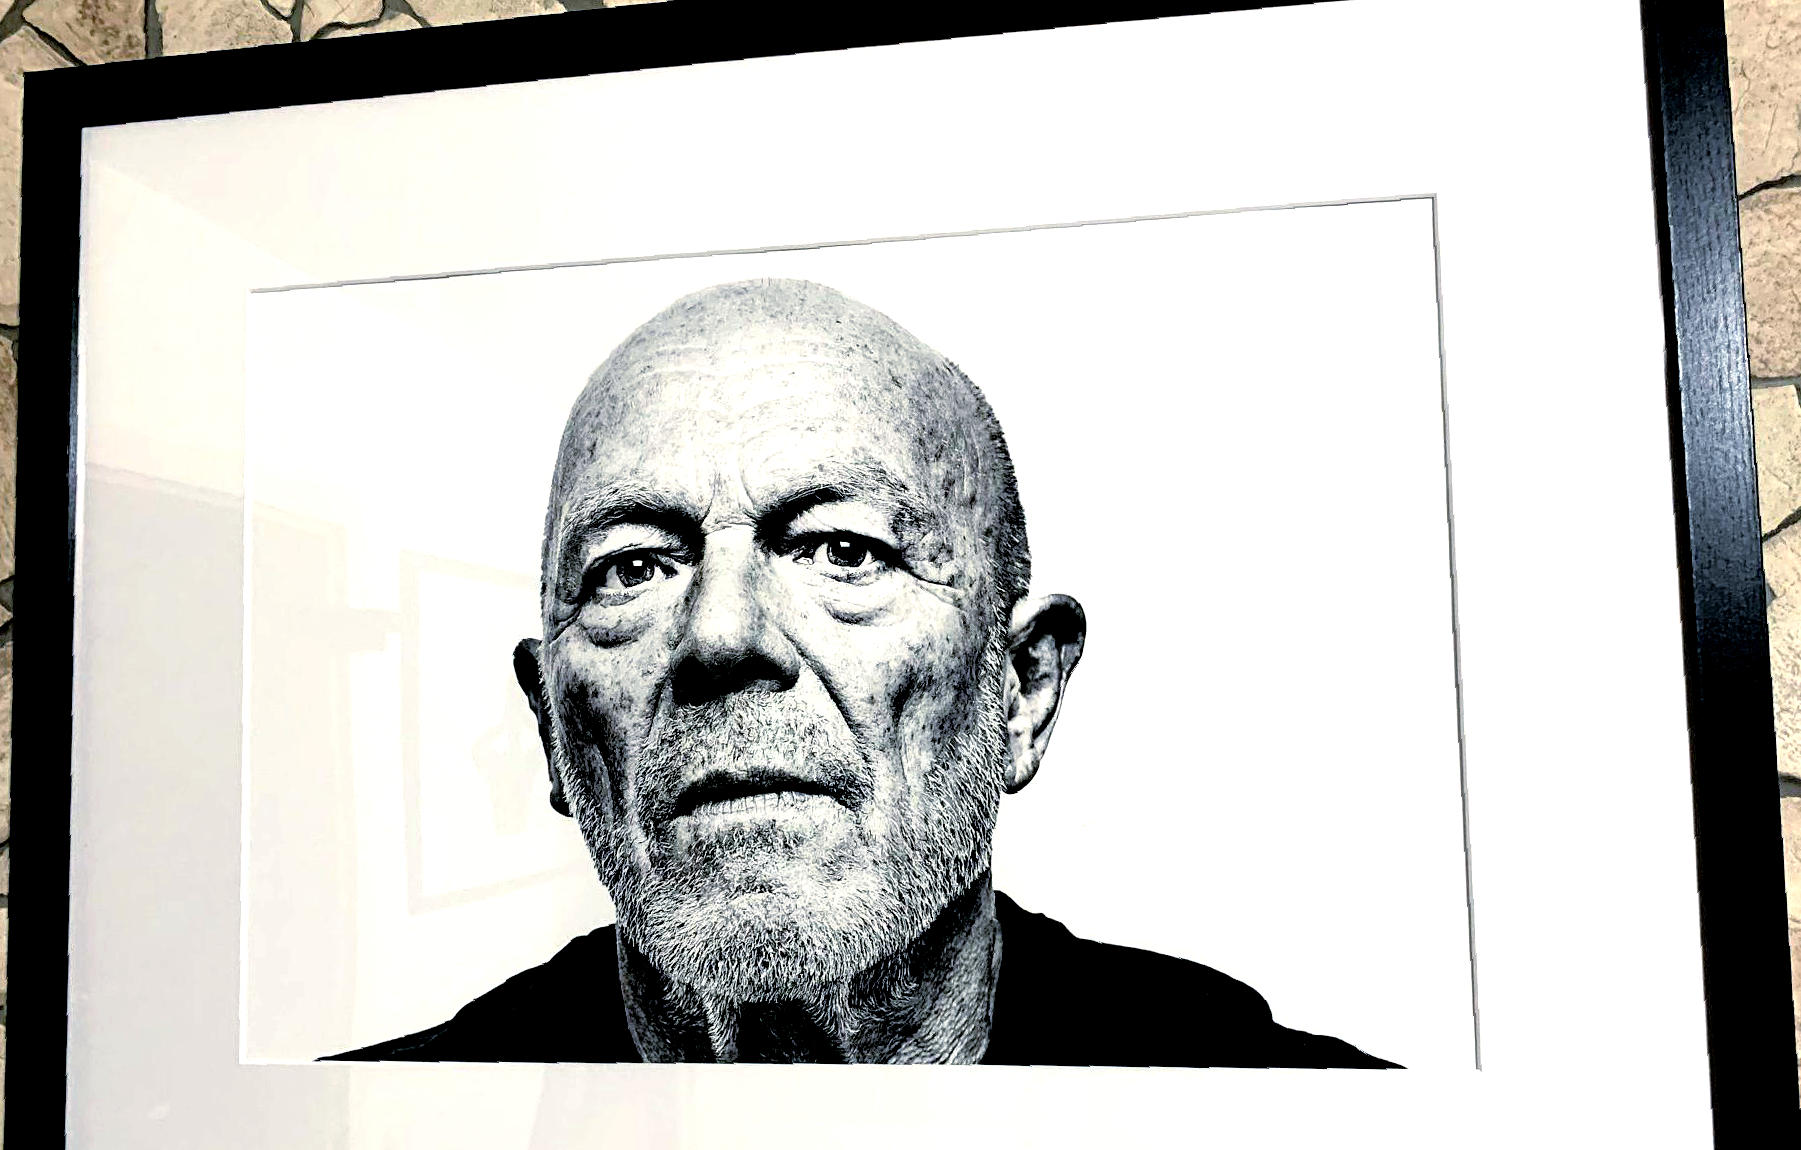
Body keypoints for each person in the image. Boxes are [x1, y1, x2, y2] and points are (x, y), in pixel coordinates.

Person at [332, 279, 1397, 1068]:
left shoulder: (1297, 1142)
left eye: (844, 550)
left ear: (1020, 690)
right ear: (551, 729)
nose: (721, 636)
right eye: (632, 568)